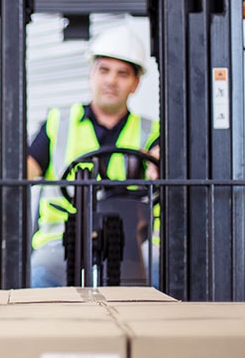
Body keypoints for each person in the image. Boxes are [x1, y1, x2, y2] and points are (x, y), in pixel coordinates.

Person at [27, 26, 160, 288]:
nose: (111, 81)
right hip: (63, 238)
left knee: (161, 269)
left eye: (122, 74)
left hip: (134, 240)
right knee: (42, 271)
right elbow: (27, 169)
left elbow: (162, 164)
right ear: (91, 75)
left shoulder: (152, 132)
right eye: (104, 70)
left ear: (135, 83)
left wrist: (162, 163)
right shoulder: (58, 122)